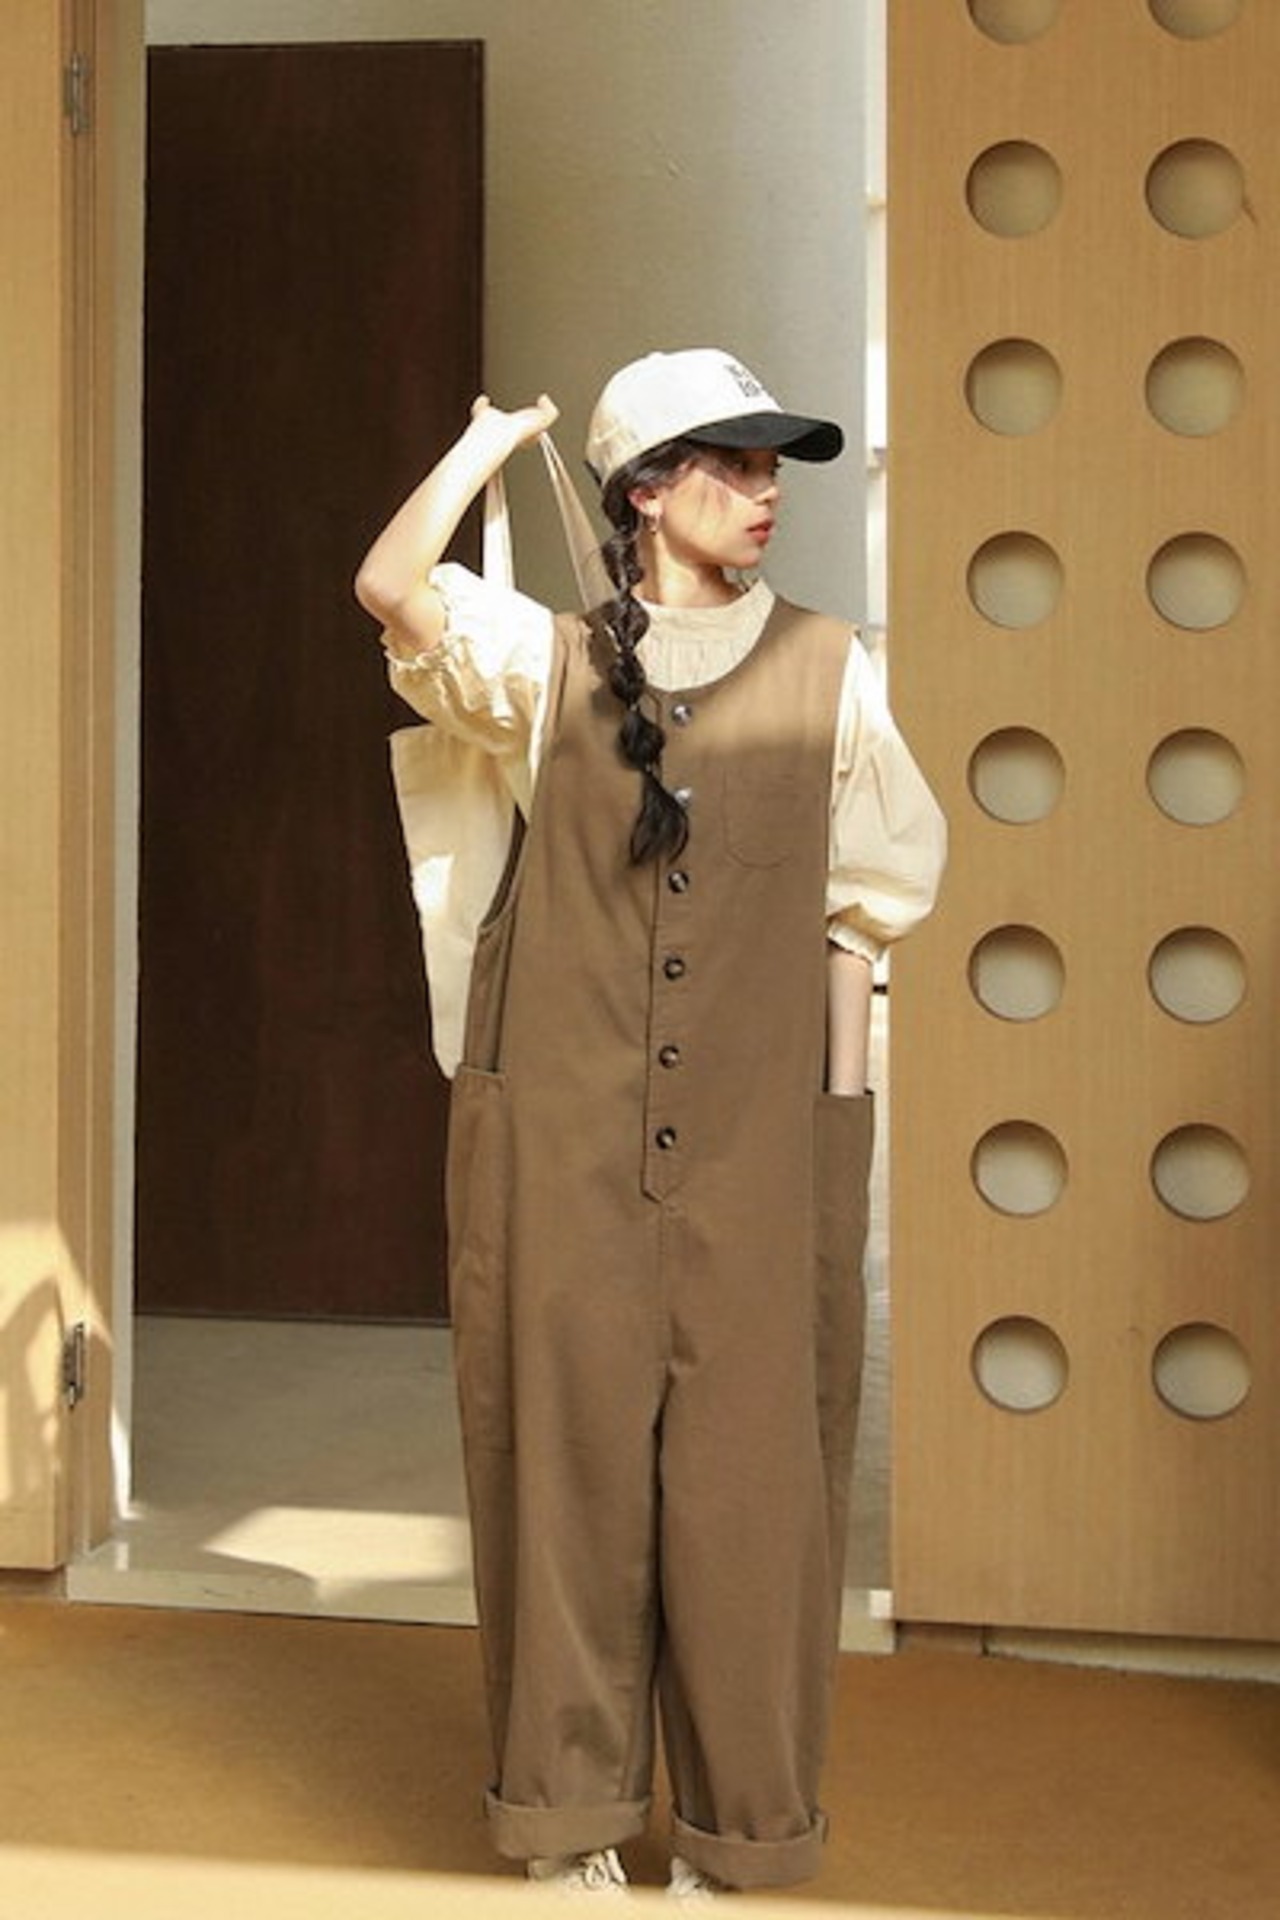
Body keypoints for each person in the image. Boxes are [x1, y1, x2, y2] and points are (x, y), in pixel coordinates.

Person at [355, 348, 946, 1899]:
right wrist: (491, 444)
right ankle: (564, 1819)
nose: (763, 492)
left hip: (762, 1151)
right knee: (564, 1482)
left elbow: (859, 917)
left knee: (756, 1499)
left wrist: (838, 1135)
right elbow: (391, 586)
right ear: (643, 491)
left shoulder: (831, 669)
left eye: (772, 466)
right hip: (560, 1141)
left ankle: (745, 1828)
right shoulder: (542, 663)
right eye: (730, 464)